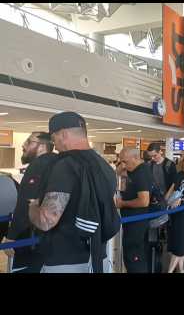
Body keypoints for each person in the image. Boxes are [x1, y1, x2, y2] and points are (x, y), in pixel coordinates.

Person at [28, 112, 119, 273]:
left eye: (54, 138)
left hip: (64, 262)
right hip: (99, 259)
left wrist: (33, 207)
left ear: (63, 134)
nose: (54, 144)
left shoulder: (64, 166)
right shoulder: (105, 167)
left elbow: (46, 220)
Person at [3, 132, 57, 273]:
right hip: (54, 239)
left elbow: (26, 204)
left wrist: (11, 237)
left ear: (42, 147)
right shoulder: (59, 162)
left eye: (28, 141)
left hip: (33, 238)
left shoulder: (38, 165)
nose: (23, 145)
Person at [114, 147, 153, 273]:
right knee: (130, 256)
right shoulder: (133, 170)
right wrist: (120, 169)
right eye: (121, 162)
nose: (123, 165)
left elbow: (144, 201)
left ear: (136, 158)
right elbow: (122, 181)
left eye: (125, 161)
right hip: (130, 221)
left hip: (137, 222)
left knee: (134, 257)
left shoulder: (142, 172)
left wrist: (122, 203)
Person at [146, 142, 177, 211]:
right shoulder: (149, 164)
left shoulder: (169, 164)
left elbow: (174, 182)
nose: (152, 158)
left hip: (167, 197)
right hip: (153, 199)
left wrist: (167, 196)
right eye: (150, 156)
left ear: (160, 152)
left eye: (155, 155)